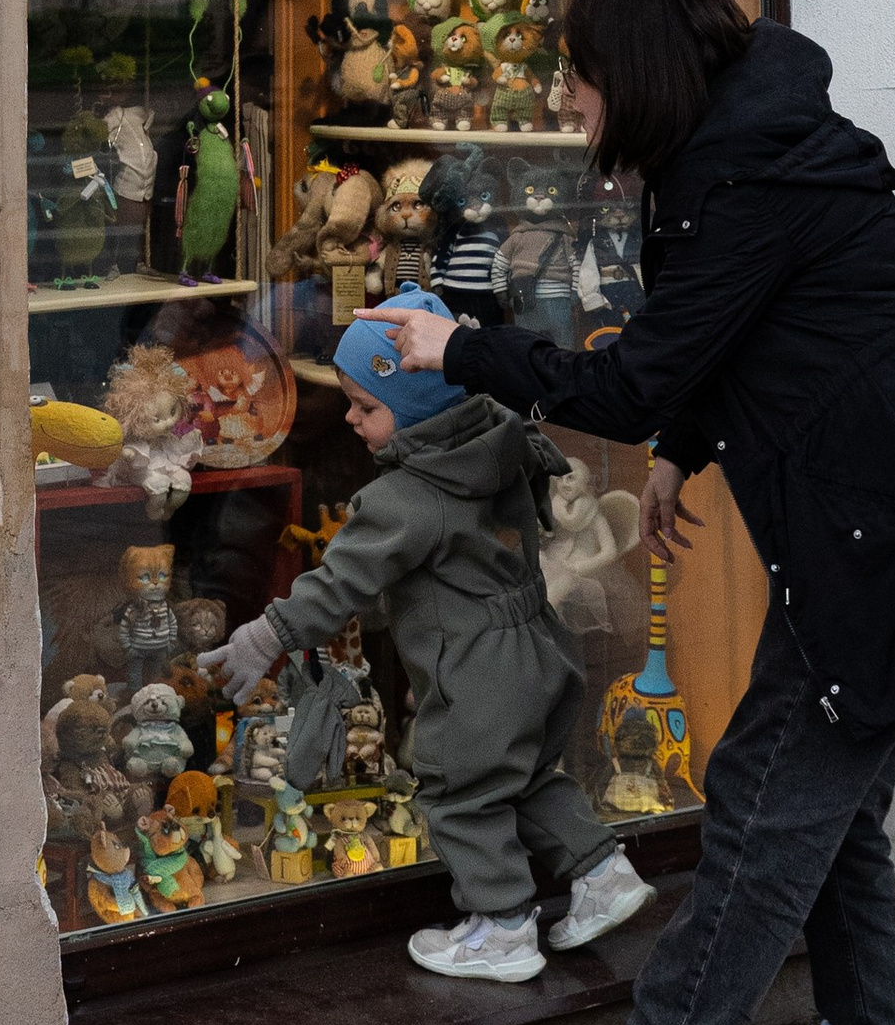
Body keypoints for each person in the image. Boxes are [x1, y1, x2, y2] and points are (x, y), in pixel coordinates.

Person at [364, 0, 895, 1025]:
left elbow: (636, 377)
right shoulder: (744, 155)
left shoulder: (741, 177)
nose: (567, 99)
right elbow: (743, 337)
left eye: (577, 76)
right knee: (820, 781)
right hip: (890, 515)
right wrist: (686, 453)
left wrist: (461, 345)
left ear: (628, 78)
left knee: (767, 778)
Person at [197, 290, 653, 982]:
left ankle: (501, 929)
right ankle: (604, 874)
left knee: (458, 791)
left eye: (366, 406)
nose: (350, 418)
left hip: (478, 671)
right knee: (528, 775)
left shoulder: (407, 499)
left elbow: (341, 581)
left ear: (413, 412)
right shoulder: (499, 439)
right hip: (540, 646)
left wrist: (267, 636)